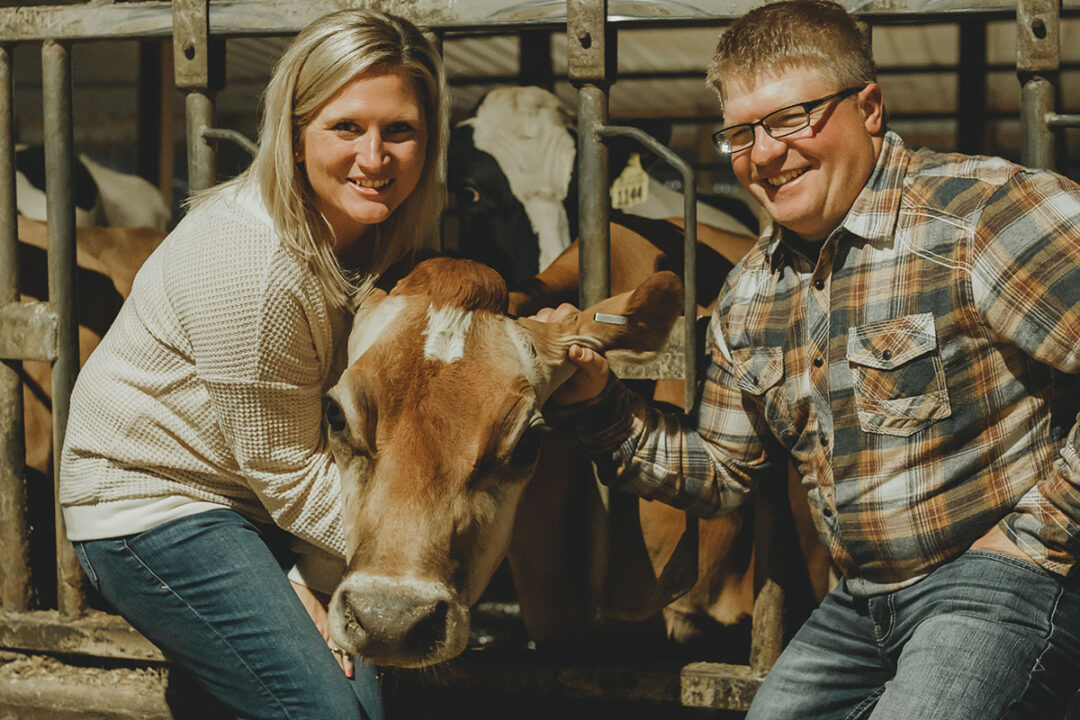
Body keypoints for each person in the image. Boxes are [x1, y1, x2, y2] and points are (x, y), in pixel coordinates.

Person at [539, 1, 1080, 717]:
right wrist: (596, 402)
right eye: (740, 132)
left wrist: (1044, 530)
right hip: (861, 605)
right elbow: (721, 475)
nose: (762, 153)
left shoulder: (979, 215)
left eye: (793, 118)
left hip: (998, 584)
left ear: (870, 108)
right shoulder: (751, 296)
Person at [58, 9, 447, 719]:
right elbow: (288, 473)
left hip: (256, 502)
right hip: (155, 506)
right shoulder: (255, 262)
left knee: (373, 699)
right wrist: (418, 554)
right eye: (345, 128)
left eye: (400, 130)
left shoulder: (385, 232)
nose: (374, 157)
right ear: (295, 136)